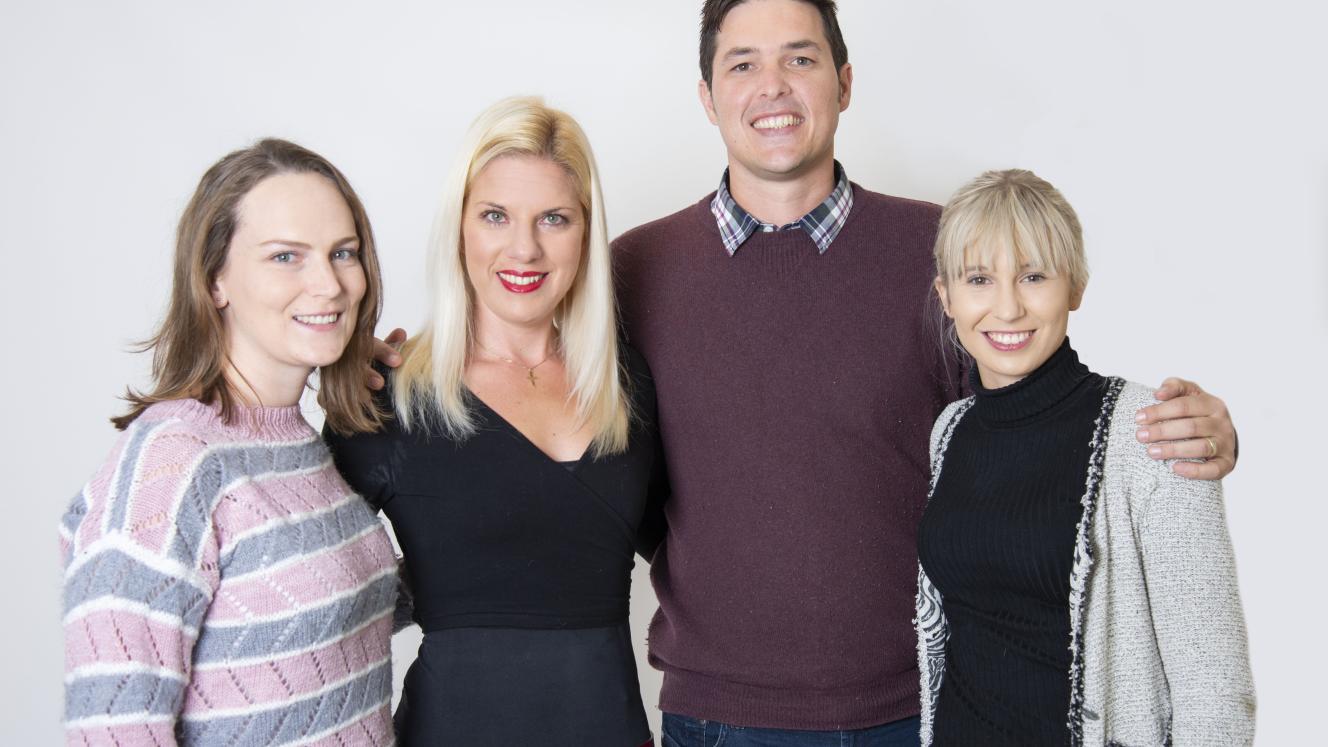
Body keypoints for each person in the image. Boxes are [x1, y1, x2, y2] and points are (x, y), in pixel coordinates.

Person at [610, 1, 1242, 745]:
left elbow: (1032, 426)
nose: (773, 85)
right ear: (706, 95)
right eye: (743, 64)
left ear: (845, 83)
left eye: (800, 58)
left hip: (922, 709)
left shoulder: (942, 248)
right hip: (717, 714)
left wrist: (1185, 431)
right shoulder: (637, 269)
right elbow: (615, 487)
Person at [326, 97, 666, 747]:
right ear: (459, 227)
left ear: (586, 232)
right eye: (495, 215)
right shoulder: (389, 395)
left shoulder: (628, 386)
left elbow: (695, 549)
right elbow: (306, 588)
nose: (524, 248)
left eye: (554, 219)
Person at [59, 139, 398, 746]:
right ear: (215, 279)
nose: (328, 284)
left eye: (342, 253)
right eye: (286, 257)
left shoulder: (298, 446)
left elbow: (319, 620)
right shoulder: (171, 463)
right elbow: (112, 729)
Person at [915, 169, 1255, 745]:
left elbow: (1215, 694)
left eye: (1033, 276)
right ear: (946, 296)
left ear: (1075, 287)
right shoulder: (951, 429)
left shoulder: (1153, 432)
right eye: (979, 279)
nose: (1008, 307)